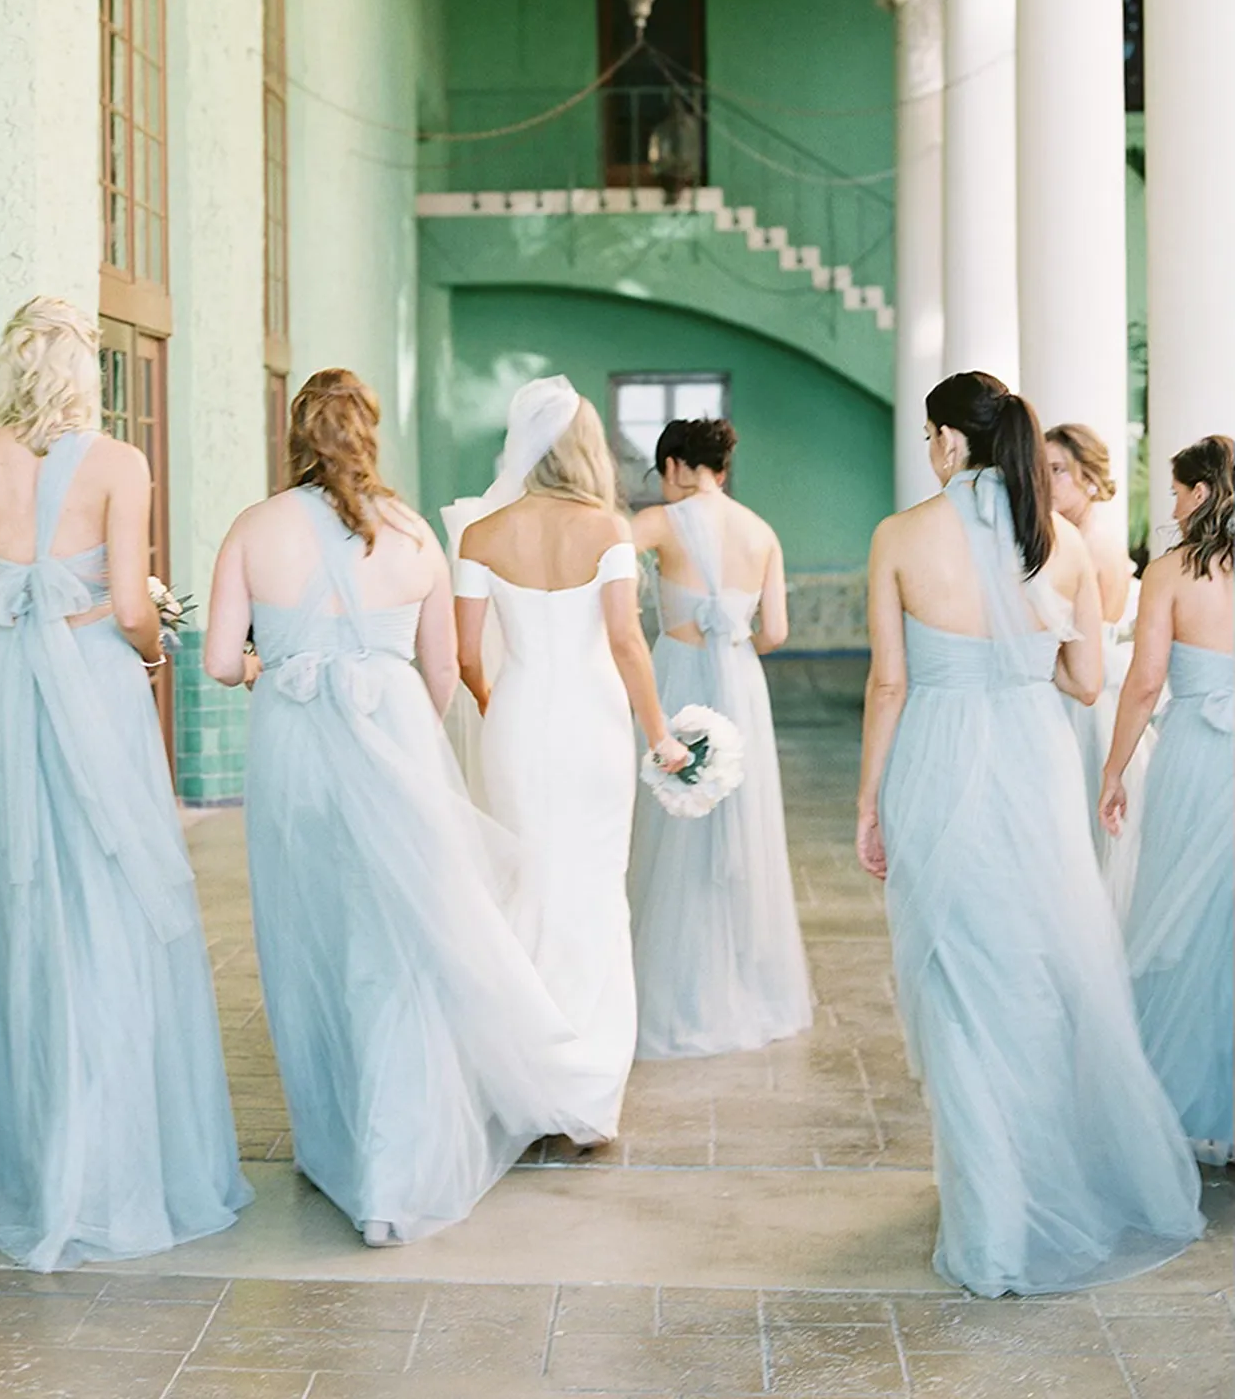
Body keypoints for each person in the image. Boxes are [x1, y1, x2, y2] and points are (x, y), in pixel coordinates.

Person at [204, 370, 604, 1247]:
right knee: (401, 941)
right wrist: (396, 743)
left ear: (297, 435)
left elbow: (220, 664)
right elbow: (438, 677)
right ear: (368, 436)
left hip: (295, 755)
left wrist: (278, 665)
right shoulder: (416, 534)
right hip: (397, 748)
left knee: (311, 937)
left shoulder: (254, 526)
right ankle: (395, 1160)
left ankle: (341, 1146)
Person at [856, 370, 1203, 1297]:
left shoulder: (899, 537)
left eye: (933, 437)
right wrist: (1018, 655)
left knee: (955, 977)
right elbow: (1088, 682)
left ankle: (991, 1219)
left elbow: (889, 685)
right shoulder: (1062, 548)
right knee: (1032, 971)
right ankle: (1026, 1194)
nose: (930, 451)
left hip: (936, 757)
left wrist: (866, 801)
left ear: (949, 441)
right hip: (1032, 765)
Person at [0, 297, 250, 1272]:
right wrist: (153, 645)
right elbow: (125, 603)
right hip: (93, 685)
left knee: (21, 910)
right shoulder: (119, 465)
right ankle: (112, 1145)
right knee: (111, 899)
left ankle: (36, 1155)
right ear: (82, 372)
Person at [452, 376, 685, 1143]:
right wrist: (659, 734)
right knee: (591, 888)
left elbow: (463, 656)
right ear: (582, 446)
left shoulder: (480, 536)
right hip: (590, 727)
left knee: (529, 883)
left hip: (517, 721)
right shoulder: (608, 531)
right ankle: (584, 1089)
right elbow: (624, 643)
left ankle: (522, 1074)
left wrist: (498, 707)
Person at [628, 418, 813, 1059]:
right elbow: (779, 631)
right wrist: (732, 645)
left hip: (677, 676)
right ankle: (744, 983)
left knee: (670, 820)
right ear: (722, 469)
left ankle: (671, 986)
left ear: (675, 466)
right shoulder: (761, 532)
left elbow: (603, 577)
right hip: (739, 681)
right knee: (738, 822)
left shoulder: (657, 522)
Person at [1100, 434, 1234, 1166]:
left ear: (1203, 493)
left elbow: (1145, 682)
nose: (1174, 506)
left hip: (1196, 759)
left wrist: (1114, 769)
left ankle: (1183, 1107)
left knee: (1184, 925)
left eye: (1179, 492)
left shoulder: (1172, 572)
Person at [1046, 423, 1151, 884]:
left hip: (1089, 698)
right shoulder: (1071, 537)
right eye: (1040, 470)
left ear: (1088, 476)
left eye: (1057, 470)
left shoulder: (1089, 545)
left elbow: (1085, 642)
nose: (1046, 481)